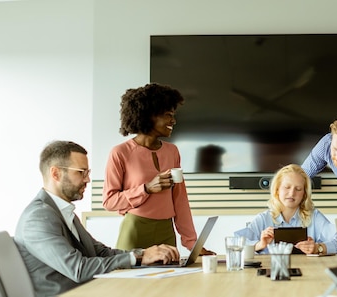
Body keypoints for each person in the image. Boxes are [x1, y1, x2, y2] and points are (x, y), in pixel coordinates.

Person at [14, 140, 179, 296]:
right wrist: (139, 257)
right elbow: (78, 269)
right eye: (81, 173)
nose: (87, 179)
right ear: (56, 173)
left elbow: (100, 252)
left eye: (88, 173)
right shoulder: (38, 218)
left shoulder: (61, 211)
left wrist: (146, 254)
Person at [102, 83, 213, 255]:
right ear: (149, 116)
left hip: (166, 231)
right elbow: (109, 201)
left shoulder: (172, 151)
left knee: (171, 281)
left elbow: (180, 200)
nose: (173, 121)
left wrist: (192, 244)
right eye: (168, 115)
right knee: (129, 282)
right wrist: (145, 189)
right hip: (135, 230)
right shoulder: (120, 153)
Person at [234, 164, 337, 255]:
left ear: (304, 194)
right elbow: (236, 243)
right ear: (277, 190)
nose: (292, 193)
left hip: (309, 271)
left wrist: (318, 248)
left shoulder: (314, 216)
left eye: (298, 189)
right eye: (287, 187)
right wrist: (259, 244)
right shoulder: (264, 219)